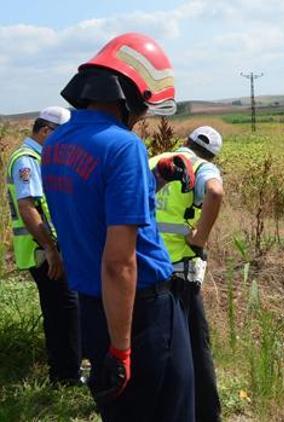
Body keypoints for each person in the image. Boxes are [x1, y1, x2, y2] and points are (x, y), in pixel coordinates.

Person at [41, 33, 196, 421]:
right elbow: (119, 263)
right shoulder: (123, 146)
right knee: (170, 411)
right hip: (139, 311)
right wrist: (122, 348)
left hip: (93, 307)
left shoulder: (56, 144)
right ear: (129, 96)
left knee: (121, 411)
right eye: (143, 107)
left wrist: (154, 178)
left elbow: (92, 206)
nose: (143, 116)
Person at [150, 126, 224, 422]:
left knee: (158, 343)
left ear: (185, 142)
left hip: (146, 265)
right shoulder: (202, 167)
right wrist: (201, 237)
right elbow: (215, 192)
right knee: (195, 342)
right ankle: (205, 413)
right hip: (179, 271)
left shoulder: (155, 161)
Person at [6, 106, 82, 385]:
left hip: (49, 248)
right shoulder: (27, 160)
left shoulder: (40, 157)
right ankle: (66, 376)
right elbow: (28, 207)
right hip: (42, 251)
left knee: (62, 309)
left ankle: (66, 370)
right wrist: (50, 249)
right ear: (45, 131)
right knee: (63, 310)